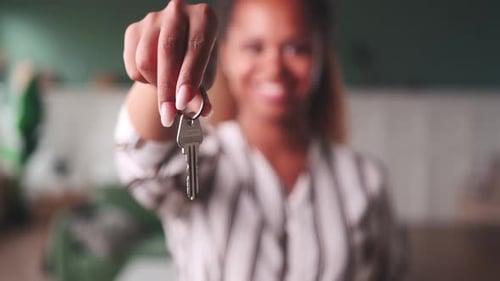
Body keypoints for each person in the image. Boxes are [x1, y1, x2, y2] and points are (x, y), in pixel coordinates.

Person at [115, 0, 405, 280]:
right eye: (254, 47)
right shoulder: (204, 161)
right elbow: (144, 163)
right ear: (224, 55)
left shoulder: (366, 180)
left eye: (296, 48)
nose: (274, 67)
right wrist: (162, 66)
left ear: (321, 58)